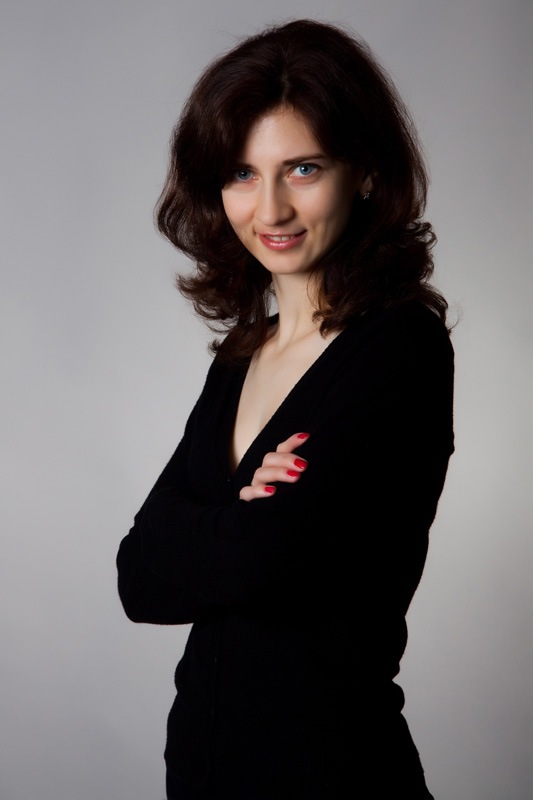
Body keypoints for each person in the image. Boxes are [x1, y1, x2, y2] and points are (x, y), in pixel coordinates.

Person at [116, 18, 454, 800]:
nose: (269, 208)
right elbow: (138, 578)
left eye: (302, 168)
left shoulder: (398, 347)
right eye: (242, 172)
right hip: (199, 774)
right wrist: (244, 510)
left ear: (363, 171)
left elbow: (260, 557)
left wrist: (213, 527)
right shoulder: (241, 358)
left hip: (332, 776)